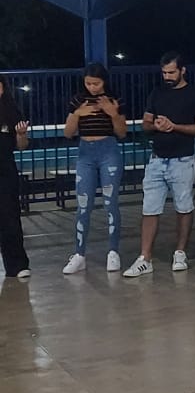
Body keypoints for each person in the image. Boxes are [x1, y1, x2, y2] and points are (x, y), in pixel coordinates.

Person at [124, 52, 195, 277]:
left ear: (183, 70)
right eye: (164, 73)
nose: (167, 77)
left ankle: (180, 252)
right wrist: (156, 126)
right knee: (149, 208)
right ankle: (145, 258)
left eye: (171, 72)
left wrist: (175, 126)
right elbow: (145, 124)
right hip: (156, 159)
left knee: (184, 207)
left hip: (183, 159)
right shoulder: (157, 92)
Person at [61, 63, 127, 274]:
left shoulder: (115, 99)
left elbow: (122, 132)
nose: (92, 87)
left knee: (110, 202)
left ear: (104, 81)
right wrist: (77, 114)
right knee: (83, 205)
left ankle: (113, 252)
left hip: (108, 150)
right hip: (85, 153)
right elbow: (68, 133)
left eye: (96, 83)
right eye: (88, 83)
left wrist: (113, 113)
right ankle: (79, 254)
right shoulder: (78, 100)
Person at [0, 75, 31, 280]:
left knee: (9, 217)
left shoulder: (11, 111)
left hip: (5, 169)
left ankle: (17, 265)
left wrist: (21, 135)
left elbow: (22, 146)